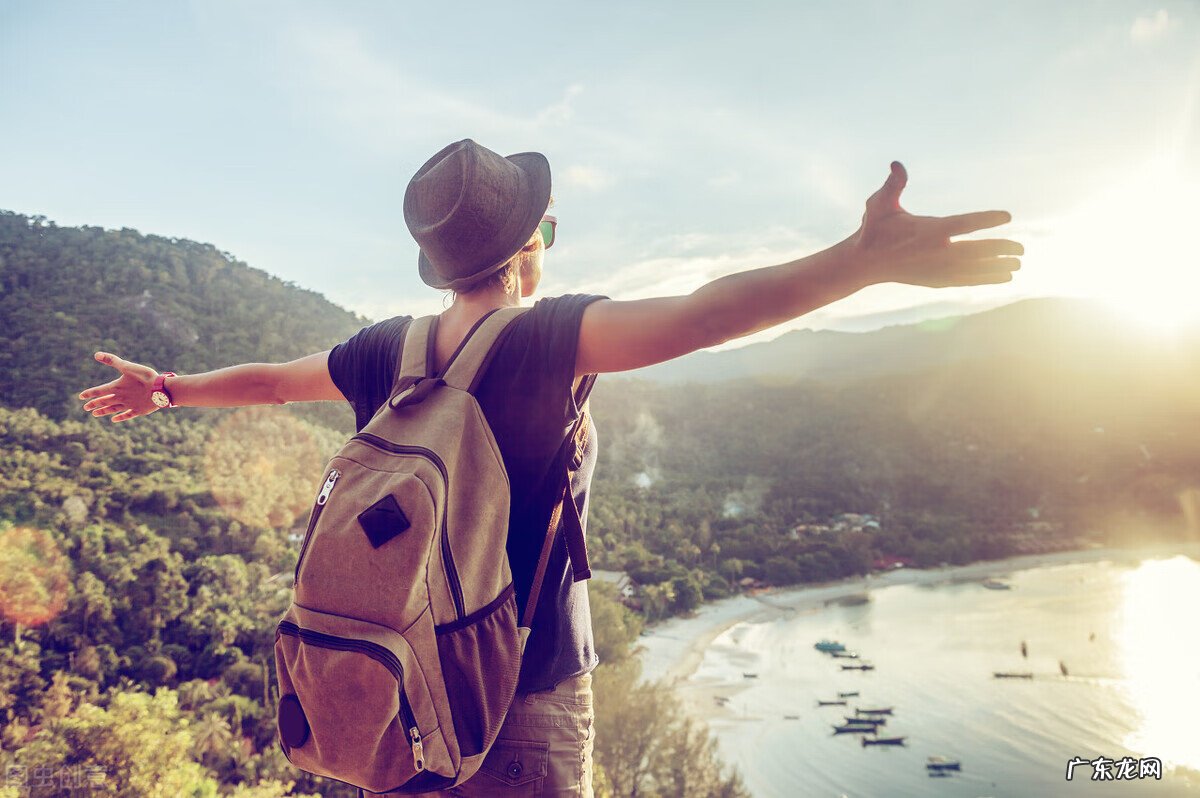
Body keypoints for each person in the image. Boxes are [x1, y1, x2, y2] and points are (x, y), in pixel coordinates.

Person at [77, 139, 1021, 796]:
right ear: (528, 247)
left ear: (440, 263)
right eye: (550, 233)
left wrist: (167, 390)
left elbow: (273, 384)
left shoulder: (383, 351)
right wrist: (860, 260)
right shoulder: (546, 341)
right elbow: (705, 315)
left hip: (394, 692)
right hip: (523, 699)